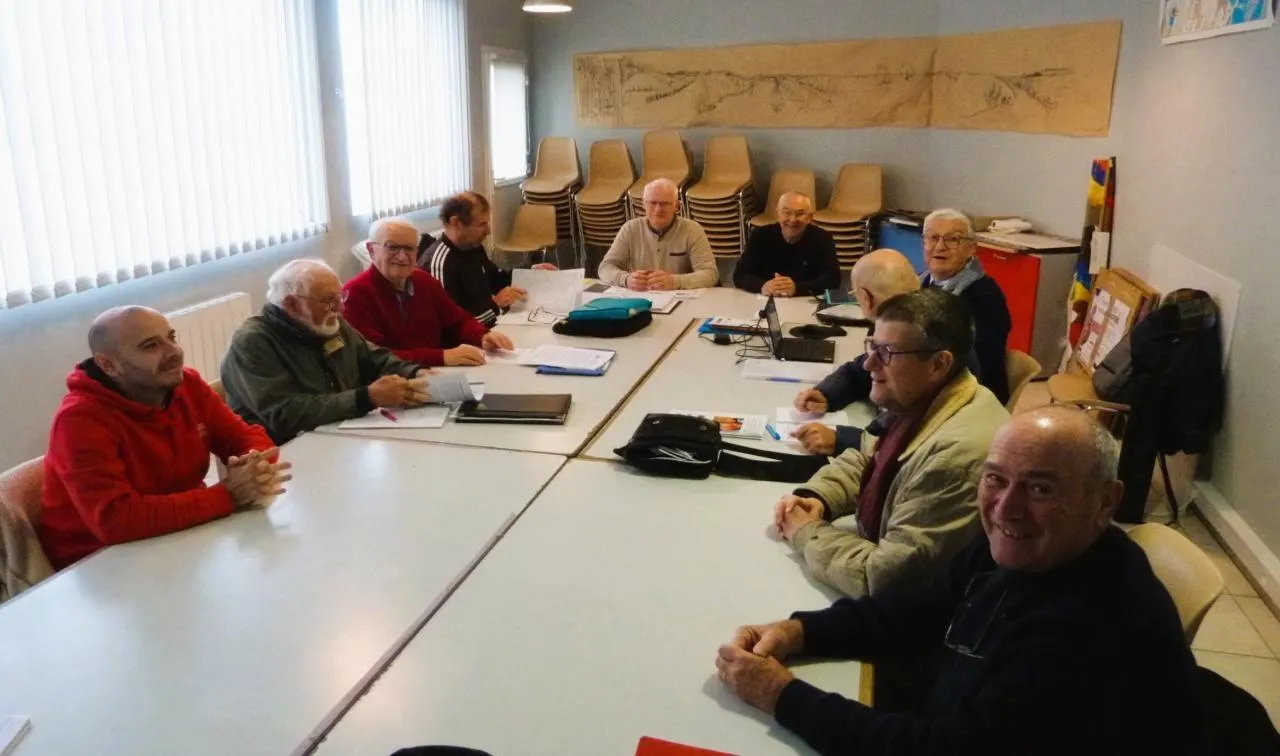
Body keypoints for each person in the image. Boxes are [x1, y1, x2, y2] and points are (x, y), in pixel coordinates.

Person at [715, 407, 1211, 756]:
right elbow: (919, 607)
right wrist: (800, 630)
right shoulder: (1023, 547)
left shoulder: (1088, 626)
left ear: (1105, 502)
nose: (1006, 507)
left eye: (1041, 488)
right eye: (996, 478)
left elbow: (943, 750)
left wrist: (782, 696)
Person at [773, 288, 1009, 598]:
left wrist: (806, 533)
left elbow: (884, 579)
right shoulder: (921, 397)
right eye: (871, 346)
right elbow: (868, 456)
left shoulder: (953, 460)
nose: (869, 364)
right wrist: (819, 499)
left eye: (887, 352)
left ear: (938, 363)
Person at [39, 307, 291, 569]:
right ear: (108, 365)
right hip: (100, 562)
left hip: (179, 535)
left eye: (171, 337)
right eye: (151, 346)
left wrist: (254, 465)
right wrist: (227, 495)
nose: (174, 352)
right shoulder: (78, 420)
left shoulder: (187, 385)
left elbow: (245, 436)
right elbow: (115, 519)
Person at [221, 259, 431, 444]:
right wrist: (365, 398)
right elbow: (284, 414)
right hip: (284, 451)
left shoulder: (327, 322)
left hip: (339, 433)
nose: (340, 308)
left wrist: (415, 373)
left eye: (340, 297)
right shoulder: (253, 342)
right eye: (329, 300)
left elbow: (373, 358)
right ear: (292, 304)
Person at [790, 248, 920, 456]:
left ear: (866, 298)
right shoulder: (897, 325)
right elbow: (859, 371)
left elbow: (908, 440)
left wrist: (843, 440)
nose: (870, 363)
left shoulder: (915, 346)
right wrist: (827, 394)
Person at [344, 217, 514, 367]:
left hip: (436, 372)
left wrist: (482, 336)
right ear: (371, 250)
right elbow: (375, 358)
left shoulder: (423, 281)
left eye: (409, 248)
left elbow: (457, 321)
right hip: (395, 383)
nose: (402, 257)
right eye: (393, 247)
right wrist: (441, 357)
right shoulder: (355, 294)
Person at [418, 191, 555, 328]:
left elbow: (497, 279)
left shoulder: (473, 247)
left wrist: (530, 272)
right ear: (456, 223)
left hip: (490, 329)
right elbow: (450, 327)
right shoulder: (439, 264)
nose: (488, 231)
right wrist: (496, 305)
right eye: (482, 224)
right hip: (469, 337)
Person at [920, 208, 1012, 404]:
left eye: (952, 239)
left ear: (971, 249)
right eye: (933, 237)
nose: (940, 246)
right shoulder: (919, 283)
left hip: (971, 396)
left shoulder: (985, 296)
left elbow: (980, 366)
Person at [597, 178, 719, 291]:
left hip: (680, 298)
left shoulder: (692, 230)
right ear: (644, 205)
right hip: (640, 297)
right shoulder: (630, 229)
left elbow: (710, 274)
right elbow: (606, 267)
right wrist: (626, 279)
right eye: (652, 203)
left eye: (665, 203)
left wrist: (674, 281)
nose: (658, 209)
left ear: (676, 206)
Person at [733, 192, 841, 297]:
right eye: (787, 213)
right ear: (778, 214)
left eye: (800, 214)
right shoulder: (760, 235)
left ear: (809, 218)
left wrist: (797, 288)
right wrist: (762, 286)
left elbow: (833, 279)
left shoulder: (822, 239)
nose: (793, 219)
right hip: (765, 300)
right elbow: (740, 274)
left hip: (804, 302)